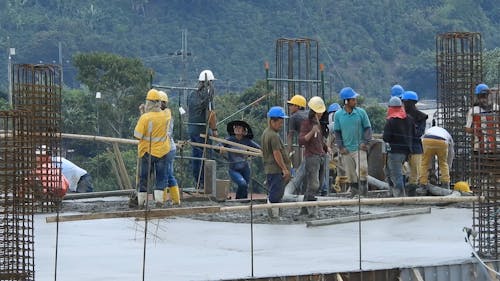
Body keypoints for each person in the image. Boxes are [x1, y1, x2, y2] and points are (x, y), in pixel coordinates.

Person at [132, 89, 171, 208]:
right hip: (163, 151)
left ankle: (141, 202)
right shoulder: (167, 114)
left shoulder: (145, 118)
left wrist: (143, 114)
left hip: (147, 152)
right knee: (160, 178)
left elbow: (137, 135)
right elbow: (162, 112)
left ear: (148, 103)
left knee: (144, 178)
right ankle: (159, 202)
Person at [334, 87, 372, 196]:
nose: (355, 101)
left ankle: (364, 193)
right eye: (353, 99)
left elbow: (368, 128)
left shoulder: (361, 113)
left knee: (363, 169)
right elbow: (337, 132)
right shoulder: (338, 115)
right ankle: (354, 193)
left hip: (359, 148)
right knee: (350, 174)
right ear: (346, 101)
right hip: (346, 149)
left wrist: (365, 142)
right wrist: (341, 147)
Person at [187, 70, 218, 191]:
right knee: (205, 157)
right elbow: (211, 114)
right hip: (202, 131)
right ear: (208, 82)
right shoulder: (207, 95)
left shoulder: (191, 94)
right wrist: (214, 129)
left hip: (191, 130)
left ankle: (197, 182)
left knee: (196, 156)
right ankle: (205, 184)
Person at [382, 97, 415, 197]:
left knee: (396, 175)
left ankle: (400, 197)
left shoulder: (391, 121)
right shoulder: (409, 119)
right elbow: (413, 133)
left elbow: (386, 138)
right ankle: (395, 194)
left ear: (390, 108)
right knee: (396, 172)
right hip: (406, 152)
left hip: (395, 152)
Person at [220, 120, 261, 199]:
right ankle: (238, 199)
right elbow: (218, 146)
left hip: (245, 168)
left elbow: (259, 149)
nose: (237, 129)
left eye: (240, 128)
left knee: (245, 188)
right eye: (236, 127)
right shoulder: (229, 140)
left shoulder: (247, 141)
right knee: (242, 184)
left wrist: (250, 154)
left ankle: (243, 202)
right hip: (234, 168)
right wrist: (221, 149)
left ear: (244, 131)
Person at [298, 96, 327, 205]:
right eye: (318, 112)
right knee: (313, 184)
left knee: (317, 185)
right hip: (311, 156)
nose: (320, 114)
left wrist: (325, 148)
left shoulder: (318, 123)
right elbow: (301, 140)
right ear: (313, 111)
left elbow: (318, 140)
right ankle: (308, 204)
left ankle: (306, 207)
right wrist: (311, 132)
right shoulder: (306, 123)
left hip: (320, 156)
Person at [261, 106, 291, 204]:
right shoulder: (273, 135)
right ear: (272, 121)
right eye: (280, 122)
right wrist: (284, 169)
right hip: (276, 170)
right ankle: (273, 213)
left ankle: (274, 212)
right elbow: (276, 153)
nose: (281, 125)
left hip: (270, 169)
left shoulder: (265, 133)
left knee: (275, 192)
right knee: (275, 194)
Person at [401, 90, 428, 189]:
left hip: (415, 147)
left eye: (405, 102)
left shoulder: (421, 117)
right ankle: (402, 191)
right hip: (402, 147)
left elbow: (419, 133)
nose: (404, 104)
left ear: (411, 103)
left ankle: (412, 192)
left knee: (415, 173)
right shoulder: (400, 116)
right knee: (401, 170)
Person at [158, 90, 180, 205]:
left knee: (165, 174)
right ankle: (176, 200)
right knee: (169, 173)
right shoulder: (164, 114)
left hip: (167, 148)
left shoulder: (166, 115)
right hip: (169, 148)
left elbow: (168, 133)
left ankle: (162, 199)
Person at [418, 125, 454, 190]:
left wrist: (430, 168)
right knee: (443, 163)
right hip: (442, 141)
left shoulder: (428, 130)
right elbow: (451, 154)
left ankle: (422, 184)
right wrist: (449, 166)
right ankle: (445, 184)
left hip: (427, 140)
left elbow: (421, 141)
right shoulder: (447, 135)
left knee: (424, 163)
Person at [285, 94, 308, 194]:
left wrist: (288, 151)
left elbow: (290, 135)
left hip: (306, 146)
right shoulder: (309, 114)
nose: (290, 107)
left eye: (292, 105)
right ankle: (322, 189)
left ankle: (294, 189)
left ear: (298, 106)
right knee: (312, 168)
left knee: (305, 167)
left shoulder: (294, 117)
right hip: (317, 145)